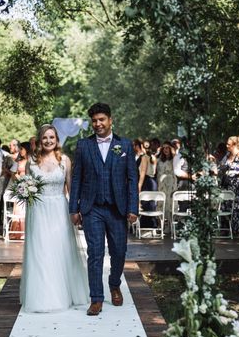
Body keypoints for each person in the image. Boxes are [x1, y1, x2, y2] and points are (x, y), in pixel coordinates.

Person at [69, 103, 139, 316]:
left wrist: (133, 207)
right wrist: (74, 208)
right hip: (92, 210)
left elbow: (131, 179)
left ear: (110, 120)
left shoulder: (124, 145)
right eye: (94, 121)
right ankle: (96, 298)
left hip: (118, 209)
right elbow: (77, 178)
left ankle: (114, 283)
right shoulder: (83, 146)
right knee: (95, 253)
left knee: (119, 251)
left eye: (102, 120)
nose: (98, 124)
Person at [20, 125, 89, 313]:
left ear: (57, 139)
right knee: (41, 251)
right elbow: (26, 187)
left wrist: (75, 210)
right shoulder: (31, 162)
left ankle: (64, 293)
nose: (48, 141)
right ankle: (43, 297)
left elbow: (70, 188)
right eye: (45, 138)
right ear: (39, 140)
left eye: (52, 137)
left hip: (59, 209)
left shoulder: (64, 160)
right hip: (38, 211)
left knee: (60, 250)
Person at [9, 142, 31, 240]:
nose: (20, 151)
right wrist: (18, 177)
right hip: (20, 186)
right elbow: (13, 173)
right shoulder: (18, 161)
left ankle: (27, 231)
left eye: (22, 149)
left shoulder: (32, 160)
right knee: (18, 209)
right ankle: (17, 231)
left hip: (30, 186)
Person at [156, 141, 177, 234]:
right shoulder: (159, 159)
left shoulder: (174, 159)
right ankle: (162, 225)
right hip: (162, 183)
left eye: (167, 147)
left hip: (171, 183)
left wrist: (173, 152)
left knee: (171, 203)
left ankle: (171, 225)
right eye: (164, 148)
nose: (165, 150)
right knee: (162, 203)